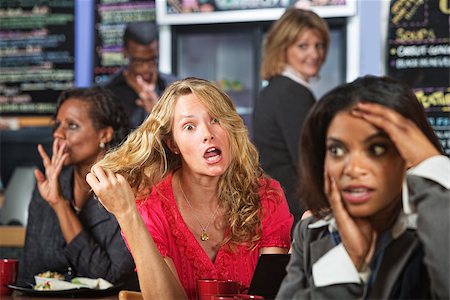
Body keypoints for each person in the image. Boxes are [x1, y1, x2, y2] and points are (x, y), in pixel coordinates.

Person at [86, 77, 293, 299]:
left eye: (215, 119)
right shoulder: (152, 206)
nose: (207, 134)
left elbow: (270, 295)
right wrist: (127, 215)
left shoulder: (266, 196)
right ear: (173, 144)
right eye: (189, 126)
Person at [276, 75, 449, 299]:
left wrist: (431, 165)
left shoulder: (433, 230)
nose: (353, 169)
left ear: (409, 155)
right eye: (337, 150)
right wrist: (348, 263)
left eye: (376, 149)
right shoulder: (311, 232)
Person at [19, 87, 139, 290]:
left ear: (105, 134)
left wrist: (60, 206)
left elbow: (109, 280)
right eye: (58, 125)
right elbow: (30, 276)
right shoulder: (48, 187)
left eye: (72, 126)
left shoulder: (129, 191)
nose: (58, 134)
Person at [253, 7, 330, 226]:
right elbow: (307, 162)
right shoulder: (293, 93)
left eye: (319, 45)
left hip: (279, 212)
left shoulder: (273, 89)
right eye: (303, 46)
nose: (314, 54)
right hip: (299, 215)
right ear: (283, 48)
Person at [103, 21, 176, 128]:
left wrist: (157, 111)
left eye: (152, 60)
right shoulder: (107, 94)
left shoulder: (174, 88)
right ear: (125, 53)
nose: (146, 67)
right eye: (138, 61)